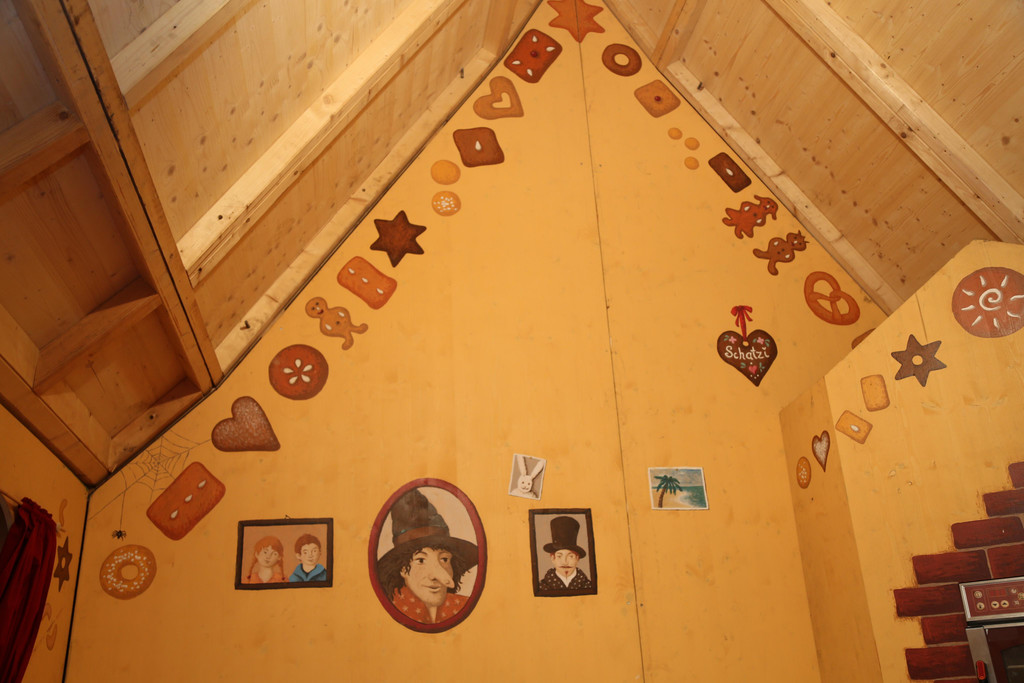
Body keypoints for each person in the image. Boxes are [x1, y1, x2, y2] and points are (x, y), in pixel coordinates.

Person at [376, 488, 478, 624]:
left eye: (444, 559)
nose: (434, 576)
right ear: (402, 569)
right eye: (421, 560)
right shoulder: (385, 614)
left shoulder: (463, 608)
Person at [538, 516, 592, 592]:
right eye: (559, 556)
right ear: (552, 558)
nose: (565, 562)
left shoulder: (588, 585)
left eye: (571, 556)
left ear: (577, 558)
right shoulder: (543, 586)